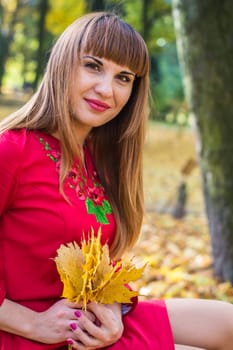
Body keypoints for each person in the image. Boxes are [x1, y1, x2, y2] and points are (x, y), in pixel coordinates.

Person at [0, 11, 233, 350]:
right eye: (93, 66)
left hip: (88, 322)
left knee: (226, 324)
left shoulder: (99, 159)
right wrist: (33, 323)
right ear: (64, 64)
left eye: (124, 77)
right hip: (27, 331)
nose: (107, 89)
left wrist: (111, 310)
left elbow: (101, 260)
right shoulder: (12, 150)